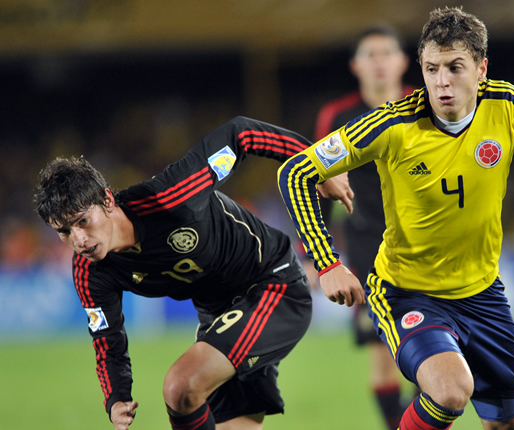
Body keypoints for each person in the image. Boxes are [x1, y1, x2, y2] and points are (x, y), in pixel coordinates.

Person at [278, 6, 514, 430]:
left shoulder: (507, 106)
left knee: (511, 424)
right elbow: (295, 172)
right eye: (431, 68)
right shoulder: (390, 124)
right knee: (448, 390)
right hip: (407, 292)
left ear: (481, 69)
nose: (441, 82)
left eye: (454, 67)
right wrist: (327, 262)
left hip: (483, 295)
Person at [33, 116, 353, 430]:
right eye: (63, 231)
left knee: (180, 385)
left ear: (107, 200)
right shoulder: (90, 270)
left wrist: (320, 165)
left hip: (272, 284)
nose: (79, 240)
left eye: (83, 221)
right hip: (217, 313)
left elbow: (241, 134)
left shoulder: (171, 197)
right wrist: (116, 398)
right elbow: (107, 337)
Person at [313, 24, 416, 430]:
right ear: (356, 64)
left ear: (403, 62)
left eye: (386, 53)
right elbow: (316, 183)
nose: (379, 62)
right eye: (370, 54)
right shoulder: (336, 116)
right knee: (383, 356)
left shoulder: (424, 105)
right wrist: (315, 255)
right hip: (366, 248)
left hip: (424, 242)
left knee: (430, 352)